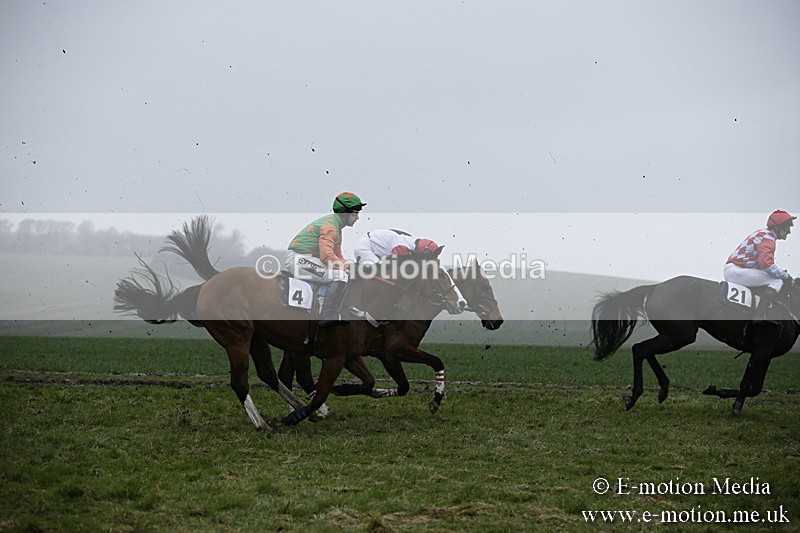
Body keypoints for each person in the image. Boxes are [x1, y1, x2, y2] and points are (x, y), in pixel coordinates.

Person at [285, 192, 366, 327]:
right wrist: (346, 267)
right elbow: (327, 256)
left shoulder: (336, 226)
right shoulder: (331, 227)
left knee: (344, 273)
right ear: (344, 213)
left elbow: (337, 256)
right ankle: (326, 315)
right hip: (298, 260)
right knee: (340, 275)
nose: (357, 217)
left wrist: (349, 265)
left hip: (306, 259)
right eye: (354, 213)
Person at [724, 210, 795, 326]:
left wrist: (780, 273)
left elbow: (764, 265)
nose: (789, 231)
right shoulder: (768, 238)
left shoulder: (764, 234)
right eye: (787, 227)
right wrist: (786, 276)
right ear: (778, 227)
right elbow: (767, 265)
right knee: (776, 281)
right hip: (736, 271)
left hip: (738, 270)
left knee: (774, 278)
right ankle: (759, 316)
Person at [353, 228, 440, 264]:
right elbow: (396, 263)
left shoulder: (410, 243)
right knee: (379, 271)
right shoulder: (403, 244)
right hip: (366, 248)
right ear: (424, 250)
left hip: (375, 252)